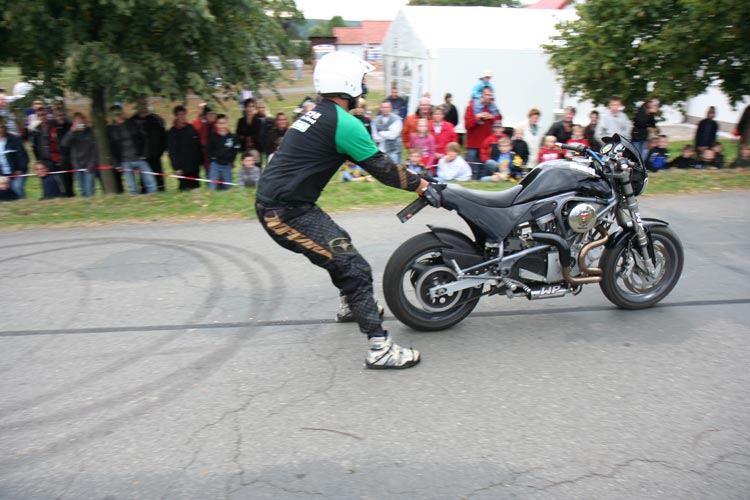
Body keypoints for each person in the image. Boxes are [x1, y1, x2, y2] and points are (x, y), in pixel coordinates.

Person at [255, 51, 433, 369]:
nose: (363, 86)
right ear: (348, 83)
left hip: (290, 205)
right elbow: (384, 169)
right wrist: (422, 185)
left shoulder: (316, 114)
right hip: (283, 212)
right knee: (354, 267)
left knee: (340, 243)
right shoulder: (344, 123)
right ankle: (380, 348)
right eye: (361, 80)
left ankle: (352, 304)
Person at [107, 104, 158, 194]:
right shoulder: (111, 130)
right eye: (115, 115)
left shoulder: (133, 123)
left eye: (119, 113)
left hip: (139, 158)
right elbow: (111, 149)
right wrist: (116, 164)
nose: (117, 117)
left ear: (122, 113)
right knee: (132, 187)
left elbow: (144, 139)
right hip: (125, 161)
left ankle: (154, 198)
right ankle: (135, 200)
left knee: (151, 183)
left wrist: (144, 154)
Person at [464, 86, 502, 177]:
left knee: (483, 171)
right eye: (486, 95)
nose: (489, 97)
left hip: (486, 145)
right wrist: (477, 117)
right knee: (471, 172)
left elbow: (499, 121)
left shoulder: (492, 108)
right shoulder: (472, 107)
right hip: (473, 145)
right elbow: (467, 125)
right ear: (481, 95)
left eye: (490, 95)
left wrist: (491, 117)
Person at [131, 99, 167, 192]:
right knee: (144, 178)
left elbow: (163, 136)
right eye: (141, 105)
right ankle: (145, 192)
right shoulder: (132, 121)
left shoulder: (156, 119)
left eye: (145, 105)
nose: (143, 108)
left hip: (156, 154)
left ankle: (161, 190)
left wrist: (161, 150)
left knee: (158, 175)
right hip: (141, 156)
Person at [61, 112, 98, 197]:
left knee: (90, 191)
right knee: (83, 191)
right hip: (77, 166)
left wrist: (91, 166)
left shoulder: (90, 132)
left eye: (81, 120)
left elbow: (94, 151)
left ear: (84, 120)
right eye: (77, 121)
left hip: (89, 166)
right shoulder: (73, 133)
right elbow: (64, 143)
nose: (79, 123)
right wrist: (72, 131)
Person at [167, 105, 203, 190]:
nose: (182, 117)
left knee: (196, 187)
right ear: (176, 116)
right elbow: (172, 152)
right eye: (180, 114)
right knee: (184, 189)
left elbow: (197, 145)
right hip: (182, 167)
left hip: (194, 165)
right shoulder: (172, 133)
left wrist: (199, 160)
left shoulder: (191, 128)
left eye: (184, 114)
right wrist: (177, 167)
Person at [207, 114, 240, 190]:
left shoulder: (232, 137)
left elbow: (235, 149)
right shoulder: (212, 136)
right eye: (220, 123)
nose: (222, 126)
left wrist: (231, 160)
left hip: (227, 165)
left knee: (228, 187)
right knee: (212, 187)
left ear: (227, 123)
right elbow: (208, 150)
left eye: (224, 123)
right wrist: (212, 159)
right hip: (215, 165)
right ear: (216, 124)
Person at [0, 123, 29, 198]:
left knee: (16, 188)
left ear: (5, 128)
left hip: (17, 172)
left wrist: (20, 169)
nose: (0, 130)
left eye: (2, 127)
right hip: (2, 173)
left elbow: (23, 156)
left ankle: (21, 202)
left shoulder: (15, 139)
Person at [370, 100, 403, 164]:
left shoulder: (397, 120)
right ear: (380, 108)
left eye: (387, 107)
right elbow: (375, 138)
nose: (385, 109)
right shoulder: (375, 121)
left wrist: (380, 133)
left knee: (395, 169)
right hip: (380, 151)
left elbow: (393, 135)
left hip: (394, 151)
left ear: (391, 108)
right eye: (383, 107)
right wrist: (388, 133)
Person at [192, 103, 218, 172]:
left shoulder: (218, 126)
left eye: (213, 113)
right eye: (209, 114)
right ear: (205, 115)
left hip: (217, 157)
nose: (212, 116)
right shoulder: (201, 126)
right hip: (204, 156)